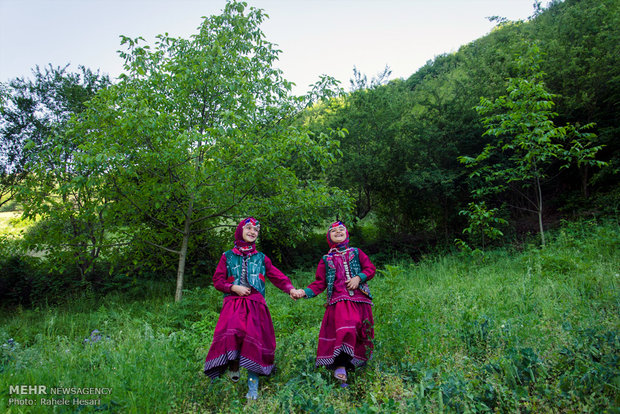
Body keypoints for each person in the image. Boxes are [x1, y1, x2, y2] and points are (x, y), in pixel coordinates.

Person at [204, 217, 298, 400]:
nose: (252, 232)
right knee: (232, 335)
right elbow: (218, 280)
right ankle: (231, 366)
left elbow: (276, 276)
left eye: (256, 230)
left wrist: (290, 289)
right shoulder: (227, 256)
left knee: (253, 343)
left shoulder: (261, 257)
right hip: (233, 303)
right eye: (248, 228)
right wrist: (233, 288)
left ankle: (252, 390)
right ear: (240, 230)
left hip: (256, 304)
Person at [290, 221, 376, 387]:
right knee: (347, 329)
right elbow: (319, 283)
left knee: (362, 332)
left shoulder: (357, 252)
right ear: (329, 237)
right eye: (333, 231)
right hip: (339, 301)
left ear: (347, 234)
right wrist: (304, 292)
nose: (338, 231)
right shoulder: (326, 259)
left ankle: (356, 367)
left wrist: (359, 278)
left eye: (341, 229)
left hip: (361, 300)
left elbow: (370, 269)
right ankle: (340, 367)